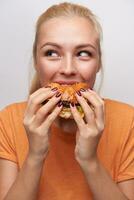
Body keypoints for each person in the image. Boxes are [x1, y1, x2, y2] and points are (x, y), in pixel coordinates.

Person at [0, 2, 134, 200]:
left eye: (83, 53)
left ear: (98, 63)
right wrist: (35, 155)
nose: (68, 69)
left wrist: (90, 161)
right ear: (37, 61)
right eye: (52, 53)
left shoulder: (127, 120)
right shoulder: (10, 119)